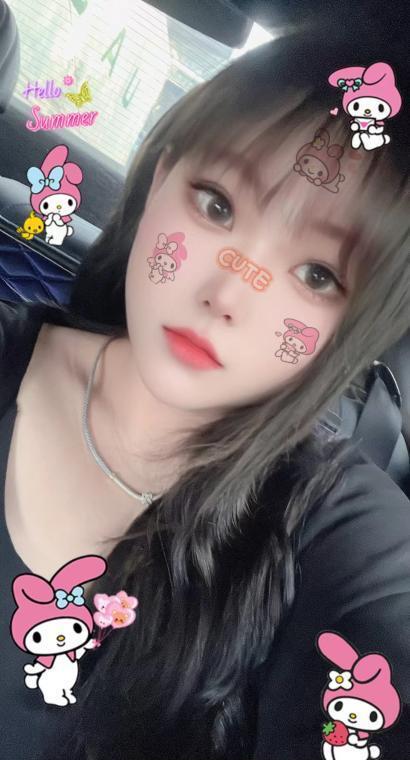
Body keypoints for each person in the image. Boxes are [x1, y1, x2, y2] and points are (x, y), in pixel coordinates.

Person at [0, 6, 409, 760]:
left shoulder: (334, 535)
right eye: (216, 204)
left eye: (317, 274)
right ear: (160, 177)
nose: (228, 294)